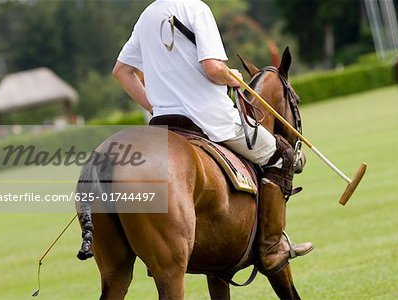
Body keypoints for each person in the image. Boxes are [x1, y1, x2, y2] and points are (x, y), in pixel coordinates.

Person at [112, 0, 313, 275]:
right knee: (282, 156)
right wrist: (232, 77)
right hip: (210, 119)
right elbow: (212, 68)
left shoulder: (146, 16)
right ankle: (271, 246)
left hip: (164, 124)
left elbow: (121, 71)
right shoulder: (197, 8)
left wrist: (153, 106)